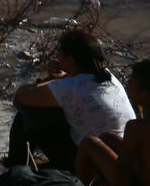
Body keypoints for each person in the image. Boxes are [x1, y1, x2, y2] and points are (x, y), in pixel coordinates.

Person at [8, 29, 136, 172]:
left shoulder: (71, 87)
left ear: (70, 60)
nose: (57, 57)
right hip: (121, 155)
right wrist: (62, 76)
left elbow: (21, 98)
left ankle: (15, 168)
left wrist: (47, 80)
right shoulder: (108, 76)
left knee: (28, 115)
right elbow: (77, 83)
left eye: (60, 53)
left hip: (89, 161)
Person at [77, 60, 150, 186]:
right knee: (108, 137)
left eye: (132, 81)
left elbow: (124, 169)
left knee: (89, 142)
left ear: (146, 94)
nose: (128, 84)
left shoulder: (138, 127)